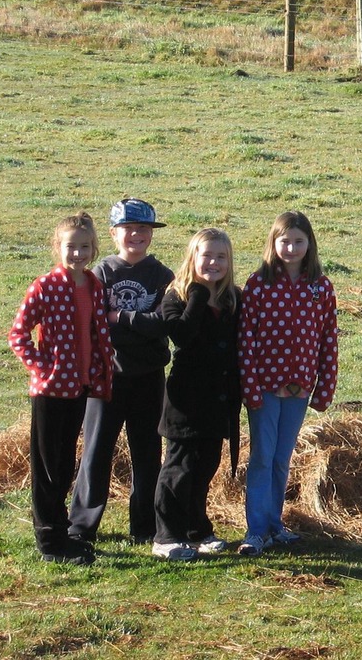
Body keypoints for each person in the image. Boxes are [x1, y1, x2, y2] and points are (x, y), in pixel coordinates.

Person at [9, 212, 115, 565]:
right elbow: (19, 335)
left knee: (66, 462)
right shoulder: (44, 286)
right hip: (50, 390)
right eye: (71, 247)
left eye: (85, 247)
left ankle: (63, 532)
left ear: (94, 249)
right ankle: (49, 542)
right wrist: (44, 366)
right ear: (58, 247)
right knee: (47, 467)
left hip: (81, 387)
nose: (78, 254)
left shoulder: (94, 285)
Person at [69, 198, 173, 546]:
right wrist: (135, 325)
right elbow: (96, 324)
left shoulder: (163, 276)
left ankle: (144, 527)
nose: (136, 235)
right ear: (114, 233)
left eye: (143, 229)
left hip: (149, 376)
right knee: (96, 451)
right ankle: (81, 527)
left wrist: (122, 319)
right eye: (129, 228)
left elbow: (162, 325)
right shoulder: (100, 274)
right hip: (106, 376)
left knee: (147, 453)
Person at [237, 211, 339, 556]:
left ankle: (275, 524)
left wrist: (325, 387)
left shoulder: (320, 287)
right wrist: (249, 387)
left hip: (300, 389)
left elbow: (328, 338)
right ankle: (256, 530)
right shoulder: (259, 284)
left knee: (282, 458)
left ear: (309, 244)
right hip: (264, 389)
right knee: (262, 457)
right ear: (273, 243)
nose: (292, 247)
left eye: (298, 241)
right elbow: (245, 338)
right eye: (285, 241)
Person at [152, 229, 242, 561]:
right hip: (185, 400)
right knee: (179, 467)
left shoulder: (235, 298)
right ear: (193, 257)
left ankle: (196, 529)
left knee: (206, 466)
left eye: (221, 257)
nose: (214, 262)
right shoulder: (175, 295)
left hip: (219, 398)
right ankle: (166, 535)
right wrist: (199, 296)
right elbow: (183, 337)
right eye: (207, 255)